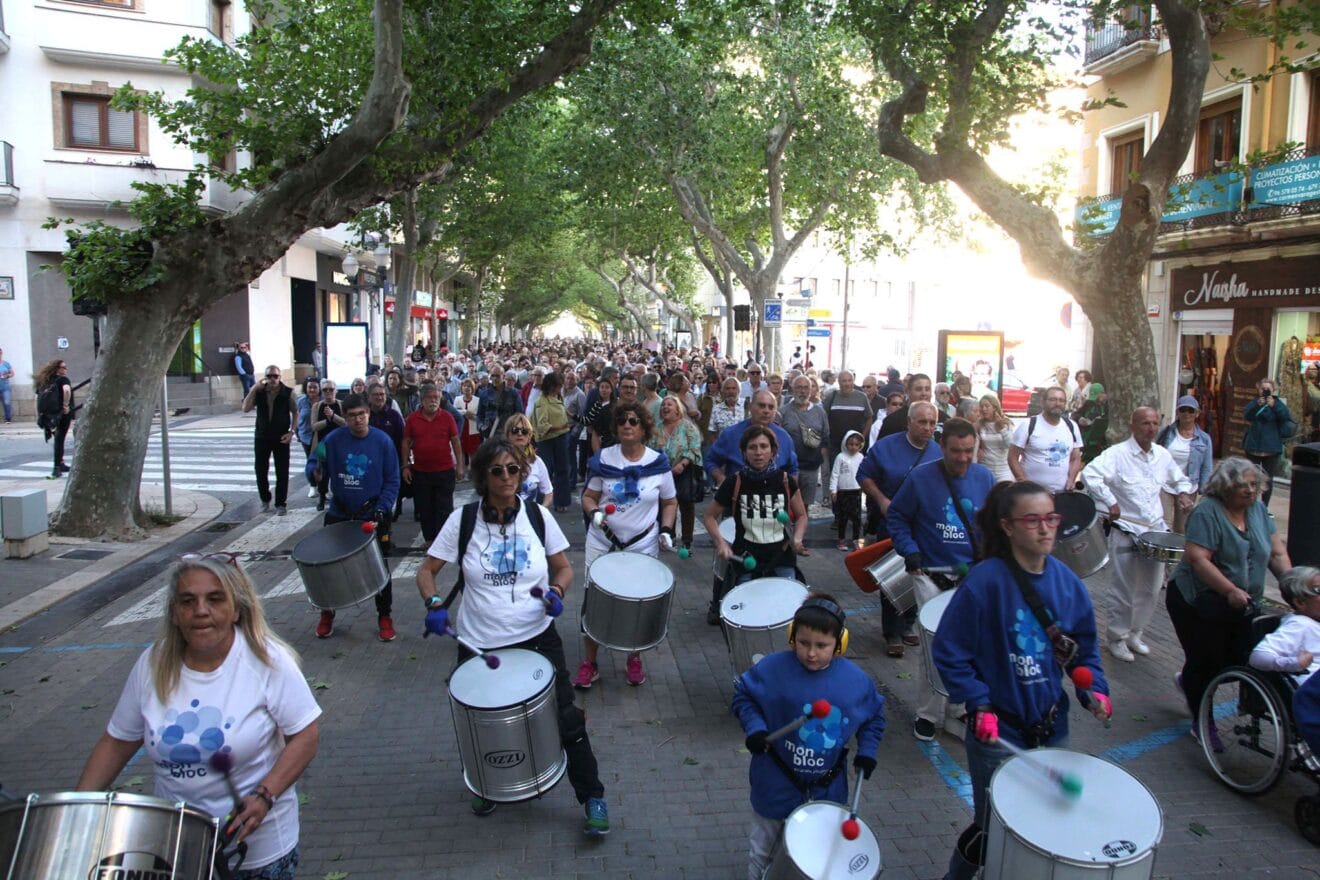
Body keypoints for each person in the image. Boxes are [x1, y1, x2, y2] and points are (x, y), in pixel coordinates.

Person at [77, 557, 321, 880]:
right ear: (175, 614)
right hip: (177, 850)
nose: (201, 610)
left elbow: (305, 735)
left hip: (255, 855)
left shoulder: (268, 661)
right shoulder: (152, 664)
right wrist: (77, 809)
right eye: (188, 601)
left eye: (215, 599)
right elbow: (116, 743)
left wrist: (265, 795)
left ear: (236, 610)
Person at [414, 439, 609, 833]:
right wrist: (434, 603)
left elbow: (564, 569)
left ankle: (592, 797)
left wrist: (557, 592)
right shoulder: (463, 520)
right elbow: (426, 570)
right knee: (481, 721)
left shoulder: (537, 516)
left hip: (536, 636)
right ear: (483, 477)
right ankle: (487, 785)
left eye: (514, 469)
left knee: (567, 719)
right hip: (479, 642)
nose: (507, 477)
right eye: (497, 470)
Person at [932, 480, 1111, 880]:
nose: (1045, 528)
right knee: (994, 827)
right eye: (1032, 520)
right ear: (1008, 527)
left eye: (1050, 518)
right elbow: (949, 650)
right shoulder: (985, 581)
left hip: (1052, 726)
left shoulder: (1067, 582)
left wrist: (1094, 689)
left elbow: (1083, 649)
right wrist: (977, 701)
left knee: (1045, 821)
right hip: (998, 730)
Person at [731, 594, 885, 880]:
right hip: (775, 783)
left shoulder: (855, 681)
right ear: (792, 637)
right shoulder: (772, 669)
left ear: (840, 642)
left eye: (822, 645)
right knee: (763, 850)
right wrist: (755, 728)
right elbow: (744, 697)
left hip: (827, 790)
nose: (811, 653)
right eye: (804, 643)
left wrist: (868, 750)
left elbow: (874, 716)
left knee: (817, 854)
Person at [1167, 457, 1292, 739]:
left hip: (1242, 602)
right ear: (1225, 487)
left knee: (1238, 656)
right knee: (1205, 660)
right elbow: (1199, 559)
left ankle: (1190, 682)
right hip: (1196, 599)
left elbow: (1275, 553)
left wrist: (1293, 584)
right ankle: (1202, 721)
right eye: (1241, 485)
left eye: (1253, 484)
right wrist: (1229, 590)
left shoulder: (1258, 510)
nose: (1250, 490)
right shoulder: (1207, 512)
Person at [888, 418, 995, 739]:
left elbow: (991, 525)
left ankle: (960, 708)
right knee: (936, 648)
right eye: (955, 451)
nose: (963, 458)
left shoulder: (985, 477)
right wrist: (909, 549)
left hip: (970, 579)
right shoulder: (921, 478)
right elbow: (897, 516)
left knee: (971, 646)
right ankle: (928, 713)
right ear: (942, 446)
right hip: (929, 575)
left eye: (968, 451)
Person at [1082, 407, 1195, 663]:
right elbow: (1090, 474)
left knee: (1151, 588)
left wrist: (1184, 494)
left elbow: (1179, 480)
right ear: (1133, 426)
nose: (1151, 428)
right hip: (1126, 530)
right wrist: (1111, 502)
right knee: (1124, 587)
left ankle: (1136, 632)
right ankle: (1117, 638)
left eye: (1155, 423)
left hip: (1154, 531)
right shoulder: (1117, 454)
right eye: (1145, 423)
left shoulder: (1163, 456)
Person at [576, 401, 678, 688]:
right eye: (622, 421)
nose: (627, 425)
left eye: (634, 421)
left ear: (644, 427)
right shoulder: (604, 459)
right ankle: (590, 663)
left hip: (642, 544)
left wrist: (667, 529)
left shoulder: (658, 463)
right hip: (602, 542)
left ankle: (633, 657)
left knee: (637, 602)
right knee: (594, 602)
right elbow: (588, 497)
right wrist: (594, 513)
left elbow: (669, 501)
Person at [312, 393, 401, 642]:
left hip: (372, 514)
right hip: (339, 513)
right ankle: (326, 614)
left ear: (368, 414)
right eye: (351, 416)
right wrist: (314, 472)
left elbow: (392, 480)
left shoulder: (383, 442)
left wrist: (383, 509)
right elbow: (315, 460)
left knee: (379, 569)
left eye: (361, 415)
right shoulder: (332, 440)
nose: (358, 420)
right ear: (346, 418)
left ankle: (385, 617)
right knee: (328, 569)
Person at [858, 402, 944, 655]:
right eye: (922, 422)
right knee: (893, 576)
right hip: (893, 523)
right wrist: (882, 500)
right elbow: (863, 475)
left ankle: (908, 624)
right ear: (909, 422)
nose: (927, 427)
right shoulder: (886, 447)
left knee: (918, 574)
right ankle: (892, 631)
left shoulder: (939, 452)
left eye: (931, 423)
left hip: (925, 526)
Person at [705, 425, 809, 584]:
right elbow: (709, 516)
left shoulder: (786, 481)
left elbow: (801, 516)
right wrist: (721, 543)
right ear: (744, 452)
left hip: (781, 559)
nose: (758, 452)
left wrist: (797, 538)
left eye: (764, 446)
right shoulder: (734, 482)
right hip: (746, 560)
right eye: (752, 447)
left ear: (773, 451)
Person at [706, 389, 799, 486]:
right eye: (761, 406)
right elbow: (711, 461)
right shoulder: (730, 434)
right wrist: (721, 478)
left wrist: (791, 492)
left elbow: (793, 469)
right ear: (750, 407)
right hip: (738, 494)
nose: (766, 411)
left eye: (771, 407)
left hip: (773, 496)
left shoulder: (784, 437)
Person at [1249, 566, 1320, 684]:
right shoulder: (1300, 625)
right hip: (1312, 689)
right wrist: (1295, 663)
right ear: (1300, 602)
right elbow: (1258, 657)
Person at [651, 395, 704, 551]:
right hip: (663, 473)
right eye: (663, 405)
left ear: (677, 409)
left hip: (684, 472)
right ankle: (669, 536)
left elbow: (695, 448)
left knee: (686, 506)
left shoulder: (687, 426)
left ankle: (687, 542)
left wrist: (682, 464)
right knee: (667, 504)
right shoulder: (657, 428)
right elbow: (650, 449)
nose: (665, 407)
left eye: (669, 405)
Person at [1007, 386, 1082, 493]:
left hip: (1062, 494)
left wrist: (1071, 479)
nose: (1057, 403)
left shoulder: (1072, 426)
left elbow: (1076, 458)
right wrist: (1024, 483)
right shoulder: (1028, 425)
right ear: (1042, 402)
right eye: (1053, 399)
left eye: (1061, 400)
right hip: (1032, 495)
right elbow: (1012, 457)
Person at [1157, 395, 1214, 534]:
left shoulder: (1204, 439)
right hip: (1165, 484)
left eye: (1190, 410)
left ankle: (1178, 554)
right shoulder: (1166, 433)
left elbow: (1206, 466)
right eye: (1183, 410)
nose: (1187, 414)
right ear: (1177, 412)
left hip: (1189, 487)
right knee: (1162, 523)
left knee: (1181, 527)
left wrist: (1204, 490)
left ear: (1197, 413)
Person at [243, 364, 295, 515]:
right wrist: (254, 388)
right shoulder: (259, 392)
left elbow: (296, 412)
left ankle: (281, 503)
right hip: (262, 436)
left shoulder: (287, 392)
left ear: (280, 377)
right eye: (269, 376)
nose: (272, 379)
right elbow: (245, 408)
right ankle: (265, 499)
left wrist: (292, 431)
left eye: (275, 376)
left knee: (282, 471)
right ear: (265, 378)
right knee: (260, 469)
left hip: (281, 436)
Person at [778, 376, 830, 508]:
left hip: (811, 468)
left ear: (811, 390)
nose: (802, 391)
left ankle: (802, 528)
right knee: (786, 504)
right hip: (788, 468)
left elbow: (825, 436)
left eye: (806, 387)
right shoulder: (783, 412)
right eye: (799, 387)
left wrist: (818, 457)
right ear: (792, 389)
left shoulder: (820, 412)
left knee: (804, 506)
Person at [1243, 378, 1294, 505]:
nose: (1265, 391)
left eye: (1268, 388)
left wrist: (1274, 406)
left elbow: (1286, 417)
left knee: (1268, 479)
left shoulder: (1277, 403)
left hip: (1271, 448)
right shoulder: (1255, 402)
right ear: (1259, 389)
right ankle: (1251, 503)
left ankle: (1265, 506)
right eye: (1262, 388)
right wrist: (1257, 405)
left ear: (1273, 390)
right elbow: (1247, 415)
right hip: (1253, 446)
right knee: (1251, 477)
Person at [531, 371, 573, 512]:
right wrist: (561, 426)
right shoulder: (541, 402)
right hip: (547, 440)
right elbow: (542, 425)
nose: (560, 388)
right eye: (557, 386)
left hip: (561, 438)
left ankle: (562, 502)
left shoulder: (557, 397)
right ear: (551, 386)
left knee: (562, 469)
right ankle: (541, 503)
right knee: (545, 471)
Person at [367, 383, 407, 520]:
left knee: (389, 493)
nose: (379, 397)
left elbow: (403, 439)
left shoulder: (394, 416)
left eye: (382, 394)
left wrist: (404, 462)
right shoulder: (365, 416)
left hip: (391, 461)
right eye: (376, 395)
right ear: (369, 397)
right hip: (369, 462)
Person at [35, 359, 74, 477]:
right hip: (61, 413)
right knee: (60, 438)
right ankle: (57, 467)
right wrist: (66, 405)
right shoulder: (63, 379)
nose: (66, 369)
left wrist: (39, 414)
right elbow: (66, 390)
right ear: (58, 369)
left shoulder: (44, 381)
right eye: (64, 367)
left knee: (58, 438)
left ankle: (60, 463)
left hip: (48, 415)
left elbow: (37, 397)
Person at [504, 412, 552, 506]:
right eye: (515, 430)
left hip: (528, 517)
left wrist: (540, 511)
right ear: (507, 435)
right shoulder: (498, 460)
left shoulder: (537, 462)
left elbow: (548, 492)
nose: (520, 434)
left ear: (529, 436)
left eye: (524, 431)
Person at [879, 373, 946, 440]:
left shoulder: (944, 419)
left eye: (927, 389)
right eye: (919, 389)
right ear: (908, 392)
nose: (924, 393)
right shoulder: (892, 421)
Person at [309, 381, 343, 512]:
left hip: (339, 445)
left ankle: (339, 497)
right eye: (325, 390)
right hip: (322, 445)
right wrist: (326, 420)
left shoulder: (341, 405)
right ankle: (322, 497)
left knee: (339, 472)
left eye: (331, 389)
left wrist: (333, 416)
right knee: (322, 472)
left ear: (336, 390)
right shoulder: (317, 406)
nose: (328, 392)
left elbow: (346, 423)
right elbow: (313, 426)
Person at [830, 430, 866, 551]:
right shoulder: (840, 457)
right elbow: (835, 474)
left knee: (857, 518)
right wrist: (833, 490)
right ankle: (841, 540)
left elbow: (864, 473)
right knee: (843, 517)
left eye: (856, 445)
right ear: (845, 444)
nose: (853, 447)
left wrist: (865, 488)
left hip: (856, 491)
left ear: (860, 445)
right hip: (843, 492)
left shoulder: (861, 457)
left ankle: (856, 540)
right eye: (851, 444)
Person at [974, 394, 1014, 483]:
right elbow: (974, 447)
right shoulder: (979, 424)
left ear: (995, 408)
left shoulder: (1006, 423)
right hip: (986, 467)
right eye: (982, 406)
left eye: (987, 406)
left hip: (1003, 469)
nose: (984, 409)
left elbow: (1010, 444)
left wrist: (1002, 429)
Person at [1074, 381, 1109, 463]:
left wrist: (1101, 419)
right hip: (1087, 438)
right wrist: (1080, 419)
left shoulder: (1108, 405)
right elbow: (1075, 414)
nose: (1097, 400)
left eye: (1098, 397)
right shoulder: (1089, 403)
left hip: (1101, 439)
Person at [707, 376, 746, 446]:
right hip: (724, 449)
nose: (731, 391)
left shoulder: (747, 405)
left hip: (744, 450)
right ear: (723, 391)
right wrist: (718, 448)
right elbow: (712, 432)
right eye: (727, 389)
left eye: (734, 388)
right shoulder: (717, 409)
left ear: (739, 390)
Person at [457, 378, 483, 473]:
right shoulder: (457, 399)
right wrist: (464, 412)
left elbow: (480, 415)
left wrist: (472, 415)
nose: (466, 388)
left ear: (473, 388)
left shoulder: (478, 400)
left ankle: (472, 472)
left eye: (469, 386)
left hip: (473, 429)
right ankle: (462, 471)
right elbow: (455, 412)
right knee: (462, 451)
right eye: (464, 386)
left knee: (473, 451)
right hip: (461, 429)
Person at [0, 346, 12, 422]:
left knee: (7, 402)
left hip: (5, 387)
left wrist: (6, 375)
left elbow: (12, 373)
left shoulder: (6, 364)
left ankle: (8, 418)